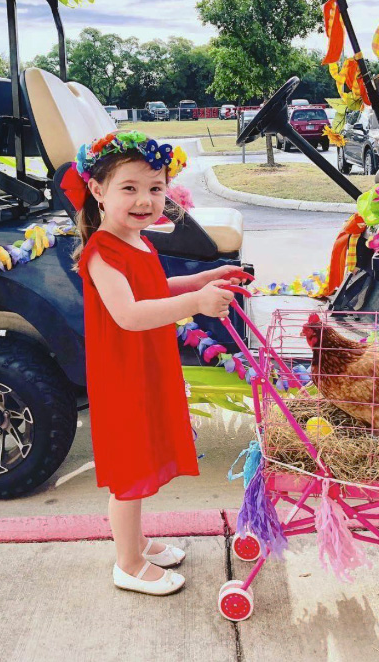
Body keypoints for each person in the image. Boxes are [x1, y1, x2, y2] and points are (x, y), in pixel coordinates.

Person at [72, 130, 243, 596]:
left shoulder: (139, 242)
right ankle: (126, 563)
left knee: (144, 453)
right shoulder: (101, 252)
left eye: (155, 188)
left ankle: (138, 543)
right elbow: (128, 314)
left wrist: (204, 278)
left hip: (145, 366)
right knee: (129, 470)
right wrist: (199, 304)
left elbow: (152, 291)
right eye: (129, 188)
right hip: (122, 373)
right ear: (98, 191)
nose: (144, 200)